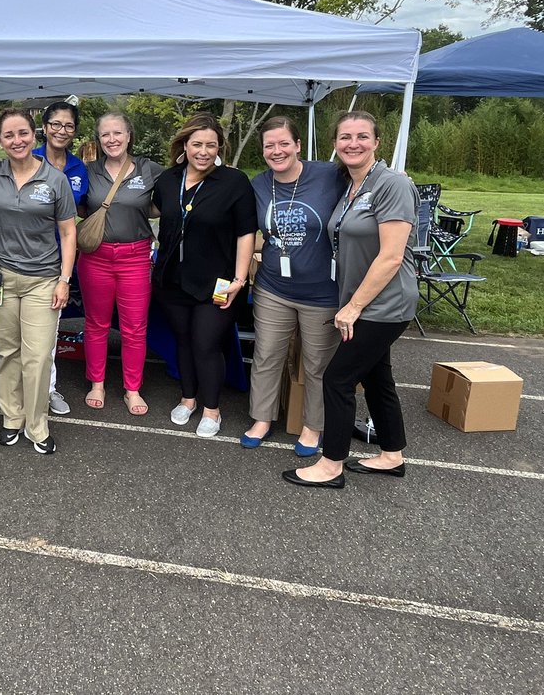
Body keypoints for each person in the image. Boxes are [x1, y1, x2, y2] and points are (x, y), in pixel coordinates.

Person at [282, 111, 419, 489]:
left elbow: (391, 256)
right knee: (377, 378)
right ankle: (392, 455)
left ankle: (331, 464)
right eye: (345, 137)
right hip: (362, 300)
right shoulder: (350, 185)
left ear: (377, 142)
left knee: (338, 379)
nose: (353, 143)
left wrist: (354, 306)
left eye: (362, 136)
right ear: (335, 144)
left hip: (383, 304)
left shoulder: (391, 185)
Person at [241, 116, 346, 456]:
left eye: (284, 143)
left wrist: (396, 177)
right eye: (269, 145)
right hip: (273, 287)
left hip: (322, 291)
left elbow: (369, 178)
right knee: (267, 354)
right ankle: (261, 418)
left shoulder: (329, 174)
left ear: (298, 145)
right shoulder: (258, 185)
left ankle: (313, 426)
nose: (277, 150)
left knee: (317, 363)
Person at [0, 108, 78, 455]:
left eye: (22, 133)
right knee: (8, 353)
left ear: (34, 135)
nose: (17, 141)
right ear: (0, 140)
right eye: (9, 135)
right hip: (0, 277)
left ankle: (37, 424)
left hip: (43, 280)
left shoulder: (55, 180)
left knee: (37, 356)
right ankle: (11, 418)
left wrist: (64, 279)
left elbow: (68, 232)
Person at [152, 113, 256, 438]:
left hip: (221, 282)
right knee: (183, 340)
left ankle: (213, 410)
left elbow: (245, 233)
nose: (203, 151)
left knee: (205, 342)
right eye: (197, 144)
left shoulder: (235, 182)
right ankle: (189, 399)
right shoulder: (169, 180)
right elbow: (156, 214)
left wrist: (240, 279)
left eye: (211, 145)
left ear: (219, 148)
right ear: (184, 145)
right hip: (172, 279)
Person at [77, 111, 162, 415]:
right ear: (98, 140)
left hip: (136, 257)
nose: (111, 139)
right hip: (95, 258)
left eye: (118, 133)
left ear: (129, 136)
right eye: (105, 135)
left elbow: (182, 187)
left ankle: (132, 389)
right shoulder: (87, 170)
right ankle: (96, 382)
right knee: (96, 324)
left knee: (135, 328)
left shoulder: (150, 169)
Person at [32, 100, 89, 416]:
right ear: (44, 127)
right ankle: (20, 394)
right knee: (18, 336)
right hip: (22, 259)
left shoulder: (79, 168)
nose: (62, 130)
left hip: (58, 261)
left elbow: (83, 210)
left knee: (49, 334)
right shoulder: (28, 158)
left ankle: (47, 390)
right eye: (55, 124)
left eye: (68, 125)